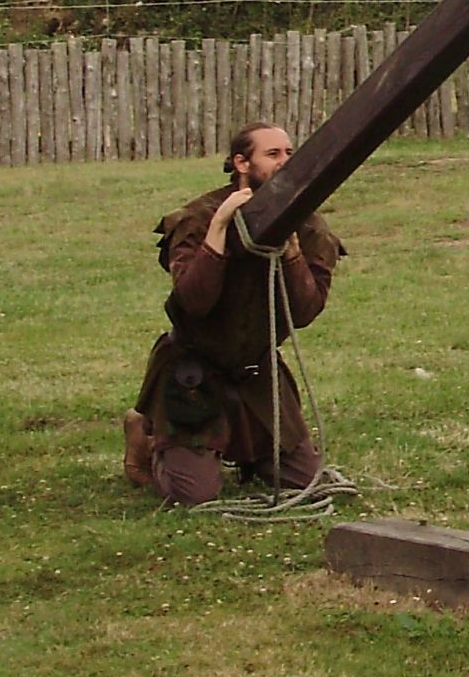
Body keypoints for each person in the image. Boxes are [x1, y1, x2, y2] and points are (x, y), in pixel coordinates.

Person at [123, 123, 345, 506]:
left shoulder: (310, 228)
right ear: (242, 162)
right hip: (194, 371)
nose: (285, 163)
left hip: (258, 371)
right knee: (194, 495)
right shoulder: (197, 218)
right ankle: (144, 434)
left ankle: (256, 454)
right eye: (273, 155)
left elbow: (306, 311)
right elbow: (193, 302)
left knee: (306, 483)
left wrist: (290, 247)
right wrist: (220, 231)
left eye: (290, 154)